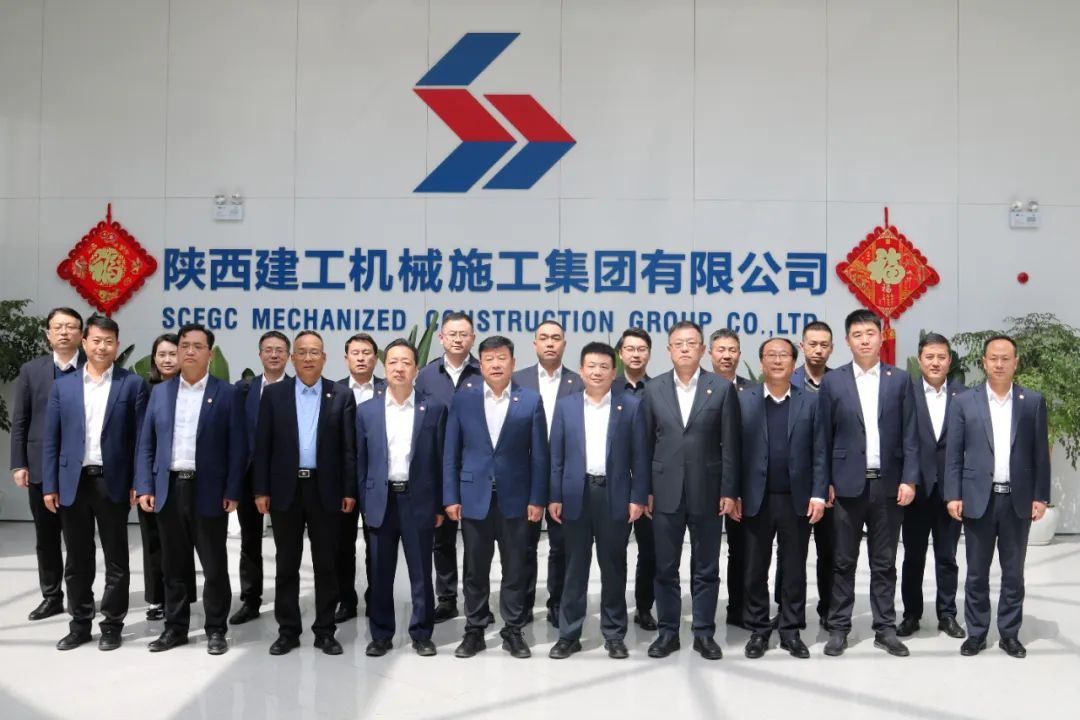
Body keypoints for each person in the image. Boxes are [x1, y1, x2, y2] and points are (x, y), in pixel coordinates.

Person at [135, 324, 246, 655]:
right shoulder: (160, 392)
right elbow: (146, 443)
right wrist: (145, 485)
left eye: (198, 346)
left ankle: (216, 629)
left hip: (208, 490)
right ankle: (175, 628)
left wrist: (233, 490)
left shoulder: (226, 393)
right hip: (169, 488)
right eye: (185, 345)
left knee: (214, 565)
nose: (190, 351)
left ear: (209, 354)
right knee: (174, 564)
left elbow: (238, 447)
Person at [41, 314, 147, 651]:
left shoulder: (132, 384)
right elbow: (52, 439)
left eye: (109, 342)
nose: (102, 347)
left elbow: (141, 440)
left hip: (112, 483)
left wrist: (139, 481)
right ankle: (80, 624)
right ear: (84, 343)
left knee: (116, 559)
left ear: (117, 345)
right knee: (77, 559)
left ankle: (112, 625)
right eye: (96, 341)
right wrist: (50, 484)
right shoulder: (64, 386)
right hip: (73, 483)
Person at [818, 309, 919, 658]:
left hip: (887, 486)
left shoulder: (899, 380)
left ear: (881, 338)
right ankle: (839, 628)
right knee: (842, 561)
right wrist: (825, 482)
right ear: (848, 341)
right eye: (857, 335)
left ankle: (885, 629)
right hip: (846, 486)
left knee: (884, 563)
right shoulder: (833, 382)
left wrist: (909, 479)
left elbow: (911, 435)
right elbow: (822, 437)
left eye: (870, 334)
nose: (864, 340)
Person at [945, 335, 1051, 658]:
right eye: (994, 358)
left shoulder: (1032, 401)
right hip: (979, 499)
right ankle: (976, 633)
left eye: (1006, 358)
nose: (1000, 364)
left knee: (1013, 573)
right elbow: (954, 454)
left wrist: (1041, 496)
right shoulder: (965, 402)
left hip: (1017, 501)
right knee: (976, 572)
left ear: (1016, 362)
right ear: (984, 362)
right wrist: (953, 494)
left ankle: (1009, 634)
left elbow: (1040, 454)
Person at [640, 321, 740, 660]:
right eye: (678, 343)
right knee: (665, 568)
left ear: (702, 350)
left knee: (706, 567)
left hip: (708, 492)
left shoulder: (720, 388)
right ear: (669, 349)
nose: (685, 348)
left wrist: (729, 490)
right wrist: (644, 490)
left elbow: (731, 445)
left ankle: (704, 633)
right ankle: (668, 632)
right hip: (663, 491)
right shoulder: (653, 389)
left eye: (691, 343)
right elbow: (644, 444)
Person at [443, 336, 549, 659]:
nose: (496, 364)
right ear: (481, 365)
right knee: (475, 569)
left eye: (502, 358)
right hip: (473, 497)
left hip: (516, 500)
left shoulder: (529, 400)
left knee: (515, 568)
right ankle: (474, 630)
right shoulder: (464, 399)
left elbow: (539, 456)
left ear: (513, 363)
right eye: (489, 359)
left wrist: (538, 499)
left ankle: (513, 631)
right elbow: (451, 452)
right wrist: (451, 496)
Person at [254, 331, 357, 656]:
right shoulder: (274, 395)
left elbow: (349, 449)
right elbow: (263, 445)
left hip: (326, 490)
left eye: (315, 352)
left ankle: (325, 631)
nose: (308, 358)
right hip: (286, 489)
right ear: (292, 358)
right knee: (287, 563)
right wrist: (261, 489)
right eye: (302, 352)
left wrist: (349, 489)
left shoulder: (341, 395)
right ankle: (288, 631)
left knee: (326, 563)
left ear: (324, 358)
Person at [548, 342, 648, 659]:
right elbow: (556, 457)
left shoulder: (630, 406)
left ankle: (614, 635)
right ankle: (569, 635)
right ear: (581, 370)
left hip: (614, 495)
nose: (597, 372)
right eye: (591, 366)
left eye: (604, 366)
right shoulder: (566, 406)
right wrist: (554, 495)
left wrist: (638, 497)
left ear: (613, 371)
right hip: (575, 495)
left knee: (613, 567)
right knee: (574, 568)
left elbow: (641, 457)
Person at [356, 339, 447, 657]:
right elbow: (361, 462)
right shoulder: (367, 411)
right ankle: (381, 635)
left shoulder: (433, 408)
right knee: (380, 573)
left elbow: (440, 460)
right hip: (381, 501)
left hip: (417, 501)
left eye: (406, 362)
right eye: (393, 362)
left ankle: (421, 633)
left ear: (416, 369)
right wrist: (365, 502)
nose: (399, 368)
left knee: (421, 572)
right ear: (384, 368)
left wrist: (439, 504)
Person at [736, 338, 825, 659]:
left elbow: (820, 451)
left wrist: (818, 493)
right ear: (761, 362)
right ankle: (758, 629)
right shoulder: (743, 400)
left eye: (783, 355)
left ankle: (790, 629)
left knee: (794, 568)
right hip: (754, 498)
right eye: (770, 355)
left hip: (796, 499)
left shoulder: (810, 402)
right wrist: (732, 493)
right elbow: (732, 451)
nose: (777, 361)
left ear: (793, 363)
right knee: (754, 568)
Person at [10, 307, 84, 622]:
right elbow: (21, 419)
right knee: (46, 537)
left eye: (70, 326)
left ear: (81, 333)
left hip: (81, 469)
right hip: (41, 466)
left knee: (79, 540)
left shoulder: (93, 368)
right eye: (58, 327)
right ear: (48, 334)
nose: (64, 332)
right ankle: (51, 596)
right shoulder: (32, 370)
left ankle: (80, 597)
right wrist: (19, 464)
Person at [512, 319, 581, 627]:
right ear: (535, 344)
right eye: (544, 338)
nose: (550, 343)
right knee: (522, 544)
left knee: (561, 545)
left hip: (564, 475)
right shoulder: (517, 380)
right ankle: (523, 604)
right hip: (525, 474)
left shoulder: (578, 382)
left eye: (556, 338)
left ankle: (558, 603)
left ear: (564, 344)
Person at [414, 312, 483, 623]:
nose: (457, 339)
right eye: (452, 334)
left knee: (476, 540)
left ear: (473, 338)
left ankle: (476, 601)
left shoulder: (483, 373)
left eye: (463, 334)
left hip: (475, 468)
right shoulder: (426, 376)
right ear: (441, 338)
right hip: (438, 469)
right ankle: (446, 598)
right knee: (442, 539)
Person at [897, 333, 966, 640]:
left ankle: (947, 614)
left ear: (949, 361)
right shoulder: (906, 393)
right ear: (919, 360)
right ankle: (911, 614)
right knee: (913, 556)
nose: (935, 362)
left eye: (941, 357)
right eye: (930, 357)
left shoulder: (964, 396)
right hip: (916, 489)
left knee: (947, 557)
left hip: (951, 492)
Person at [229, 330, 290, 626]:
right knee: (250, 540)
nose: (274, 354)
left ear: (288, 355)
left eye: (280, 350)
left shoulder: (298, 388)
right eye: (268, 350)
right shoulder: (243, 389)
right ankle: (250, 600)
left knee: (287, 543)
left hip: (285, 477)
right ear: (260, 354)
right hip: (249, 476)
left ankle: (286, 601)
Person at [785, 320, 836, 629]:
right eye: (812, 344)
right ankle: (789, 613)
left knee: (830, 552)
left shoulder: (841, 383)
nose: (818, 350)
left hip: (831, 484)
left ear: (832, 348)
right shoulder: (785, 380)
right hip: (793, 483)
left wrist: (829, 479)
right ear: (802, 346)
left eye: (824, 345)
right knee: (791, 554)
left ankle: (829, 610)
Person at [335, 332, 385, 623]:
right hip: (342, 480)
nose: (361, 358)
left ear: (376, 359)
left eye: (367, 353)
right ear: (346, 359)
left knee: (376, 544)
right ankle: (346, 600)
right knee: (342, 545)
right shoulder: (334, 391)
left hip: (376, 480)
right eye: (356, 353)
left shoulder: (388, 389)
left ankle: (376, 598)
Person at [708, 328, 752, 628]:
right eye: (721, 350)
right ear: (710, 353)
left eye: (732, 350)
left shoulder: (752, 391)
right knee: (705, 553)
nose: (727, 355)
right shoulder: (699, 387)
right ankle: (703, 614)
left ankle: (739, 610)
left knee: (742, 551)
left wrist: (738, 490)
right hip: (704, 482)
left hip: (741, 486)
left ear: (739, 354)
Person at [613, 327, 656, 632]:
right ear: (620, 353)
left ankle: (644, 607)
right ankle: (615, 609)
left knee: (650, 551)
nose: (636, 354)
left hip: (650, 485)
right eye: (630, 349)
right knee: (614, 550)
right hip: (614, 484)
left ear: (649, 354)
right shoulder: (607, 388)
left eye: (642, 349)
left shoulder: (658, 390)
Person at [139, 333, 180, 622]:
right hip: (152, 477)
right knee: (153, 540)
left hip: (183, 477)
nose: (167, 359)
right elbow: (140, 440)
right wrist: (140, 482)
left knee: (180, 543)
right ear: (154, 358)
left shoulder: (192, 390)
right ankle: (157, 598)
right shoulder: (145, 389)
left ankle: (181, 597)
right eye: (161, 354)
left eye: (172, 353)